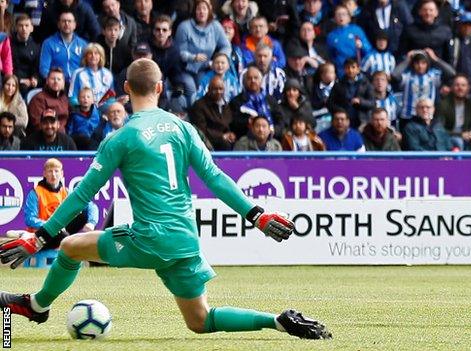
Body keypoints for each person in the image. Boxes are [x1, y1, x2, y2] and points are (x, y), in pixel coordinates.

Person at [0, 58, 331, 340]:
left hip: (149, 239)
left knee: (71, 246)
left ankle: (37, 306)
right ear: (159, 88)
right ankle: (277, 320)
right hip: (184, 240)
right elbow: (215, 178)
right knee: (200, 321)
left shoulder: (122, 138)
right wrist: (257, 214)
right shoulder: (183, 128)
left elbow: (82, 194)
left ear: (126, 89)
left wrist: (41, 237)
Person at [24, 158, 98, 236]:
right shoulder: (35, 193)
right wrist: (52, 225)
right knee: (63, 235)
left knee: (84, 212)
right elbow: (30, 219)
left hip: (60, 230)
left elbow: (90, 205)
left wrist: (91, 223)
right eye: (50, 171)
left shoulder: (66, 192)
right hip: (42, 234)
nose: (53, 175)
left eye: (56, 171)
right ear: (44, 174)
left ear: (61, 174)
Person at [189, 76, 237, 151]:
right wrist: (222, 136)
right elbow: (201, 130)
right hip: (207, 144)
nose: (218, 92)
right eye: (215, 89)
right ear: (208, 89)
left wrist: (231, 135)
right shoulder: (199, 105)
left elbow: (229, 125)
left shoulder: (226, 105)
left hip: (226, 141)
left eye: (221, 89)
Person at [39, 11, 88, 82]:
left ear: (75, 25)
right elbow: (44, 69)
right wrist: (54, 81)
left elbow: (87, 67)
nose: (67, 24)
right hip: (57, 84)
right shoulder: (49, 43)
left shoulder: (83, 44)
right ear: (58, 24)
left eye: (69, 21)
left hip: (78, 83)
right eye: (64, 21)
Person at [68, 43, 115, 107]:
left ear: (101, 56)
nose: (93, 56)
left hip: (104, 112)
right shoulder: (78, 73)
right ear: (86, 57)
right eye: (90, 53)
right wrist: (84, 109)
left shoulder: (108, 74)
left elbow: (111, 98)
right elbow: (72, 98)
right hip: (84, 112)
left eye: (96, 53)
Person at [27, 68, 70, 134]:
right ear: (47, 81)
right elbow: (38, 124)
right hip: (47, 135)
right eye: (53, 79)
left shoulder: (64, 98)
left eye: (59, 79)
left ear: (63, 83)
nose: (56, 81)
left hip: (66, 134)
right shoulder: (39, 98)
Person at [11, 14, 41, 97]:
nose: (24, 29)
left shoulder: (36, 47)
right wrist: (21, 80)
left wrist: (35, 79)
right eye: (20, 26)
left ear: (32, 28)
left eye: (27, 25)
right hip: (13, 79)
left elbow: (37, 68)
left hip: (30, 81)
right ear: (16, 28)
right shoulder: (9, 44)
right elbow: (8, 67)